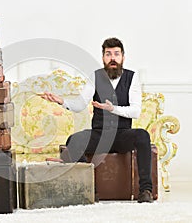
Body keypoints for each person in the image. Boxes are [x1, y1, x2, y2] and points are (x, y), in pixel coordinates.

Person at [40, 37, 153, 203]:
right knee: (73, 140)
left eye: (116, 54)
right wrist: (61, 101)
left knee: (143, 135)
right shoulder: (95, 77)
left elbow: (135, 111)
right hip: (100, 135)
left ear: (123, 57)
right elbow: (79, 104)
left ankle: (146, 191)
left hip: (122, 135)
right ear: (103, 58)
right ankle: (90, 190)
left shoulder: (132, 78)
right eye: (108, 54)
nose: (112, 58)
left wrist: (112, 109)